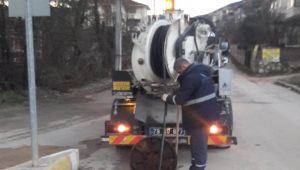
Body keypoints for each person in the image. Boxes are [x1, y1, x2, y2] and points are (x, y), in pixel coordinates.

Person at [161, 58, 220, 170]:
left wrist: (166, 98)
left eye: (179, 72)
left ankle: (197, 168)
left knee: (199, 147)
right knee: (196, 145)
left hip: (199, 119)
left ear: (183, 67)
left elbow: (181, 100)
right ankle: (195, 166)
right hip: (204, 115)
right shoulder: (201, 71)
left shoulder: (190, 78)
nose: (179, 75)